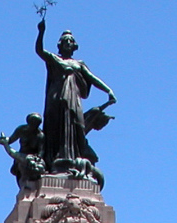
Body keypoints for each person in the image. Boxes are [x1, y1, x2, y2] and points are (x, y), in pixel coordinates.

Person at [35, 19, 116, 176]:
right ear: (60, 44)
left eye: (71, 41)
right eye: (65, 41)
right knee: (57, 127)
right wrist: (41, 32)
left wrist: (108, 90)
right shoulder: (54, 58)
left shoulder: (79, 64)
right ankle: (56, 161)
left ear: (75, 46)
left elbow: (92, 78)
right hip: (56, 99)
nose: (68, 43)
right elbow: (39, 50)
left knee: (77, 125)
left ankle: (74, 160)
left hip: (74, 99)